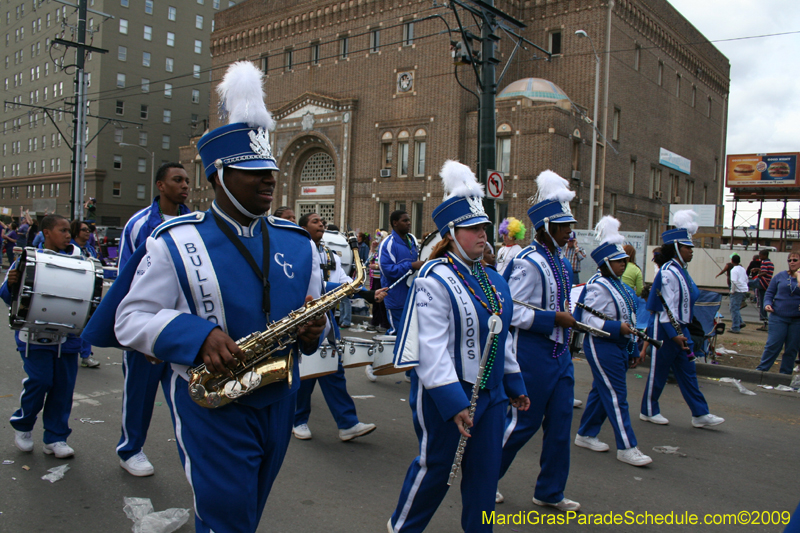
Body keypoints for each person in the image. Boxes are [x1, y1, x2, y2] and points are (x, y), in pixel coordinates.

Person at [82, 61, 327, 533]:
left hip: (277, 400)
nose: (268, 180)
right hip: (211, 405)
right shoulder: (174, 240)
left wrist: (317, 329)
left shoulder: (299, 243)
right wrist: (197, 335)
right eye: (251, 171)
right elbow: (130, 317)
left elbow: (314, 324)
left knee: (247, 514)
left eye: (270, 170)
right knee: (226, 521)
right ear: (217, 175)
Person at [388, 160, 528, 533]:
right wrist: (454, 403)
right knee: (435, 471)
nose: (482, 235)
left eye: (484, 227)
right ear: (451, 233)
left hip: (492, 395)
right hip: (445, 394)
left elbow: (502, 335)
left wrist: (513, 384)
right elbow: (431, 348)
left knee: (485, 477)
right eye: (473, 229)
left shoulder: (495, 279)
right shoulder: (433, 278)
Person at [496, 170, 580, 511]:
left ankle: (549, 491)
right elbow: (507, 310)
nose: (568, 232)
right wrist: (551, 320)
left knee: (560, 426)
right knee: (521, 424)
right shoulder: (527, 262)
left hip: (560, 356)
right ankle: (483, 477)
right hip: (531, 354)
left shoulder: (562, 262)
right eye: (562, 227)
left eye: (569, 225)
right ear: (546, 228)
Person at [113, 162, 192, 477]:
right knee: (139, 395)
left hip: (181, 328)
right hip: (147, 327)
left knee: (187, 399)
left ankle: (196, 456)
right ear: (160, 185)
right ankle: (130, 450)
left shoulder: (194, 223)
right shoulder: (139, 224)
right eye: (177, 180)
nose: (185, 185)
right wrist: (138, 333)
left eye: (187, 180)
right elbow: (125, 278)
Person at [292, 211, 382, 441]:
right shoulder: (296, 251)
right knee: (307, 373)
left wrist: (368, 293)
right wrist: (363, 292)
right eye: (315, 221)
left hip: (328, 319)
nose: (321, 224)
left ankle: (347, 424)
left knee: (333, 369)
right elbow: (318, 284)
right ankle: (298, 420)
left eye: (322, 221)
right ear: (303, 228)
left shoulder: (329, 254)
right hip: (305, 320)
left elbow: (343, 282)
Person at [2, 215, 85, 459]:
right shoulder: (27, 258)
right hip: (35, 334)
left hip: (68, 336)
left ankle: (55, 437)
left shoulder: (79, 258)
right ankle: (24, 426)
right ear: (47, 233)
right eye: (62, 230)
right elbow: (7, 296)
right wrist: (12, 283)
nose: (68, 234)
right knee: (39, 381)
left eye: (69, 230)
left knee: (63, 388)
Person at [573, 217, 652, 467]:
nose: (623, 265)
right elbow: (587, 320)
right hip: (601, 345)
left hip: (618, 344)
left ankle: (585, 433)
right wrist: (618, 327)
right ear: (606, 263)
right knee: (617, 396)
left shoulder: (617, 284)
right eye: (619, 262)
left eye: (625, 261)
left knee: (601, 391)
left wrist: (631, 344)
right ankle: (627, 447)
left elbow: (628, 313)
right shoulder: (598, 286)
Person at [640, 210, 725, 429]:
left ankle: (700, 414)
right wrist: (675, 334)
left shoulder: (681, 271)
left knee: (688, 372)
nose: (692, 251)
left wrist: (681, 332)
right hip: (666, 331)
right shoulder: (668, 272)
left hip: (681, 330)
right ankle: (648, 410)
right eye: (689, 248)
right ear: (677, 248)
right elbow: (666, 309)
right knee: (658, 372)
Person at [755, 252, 800, 375]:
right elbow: (769, 292)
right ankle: (761, 371)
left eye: (795, 260)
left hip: (797, 319)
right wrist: (767, 304)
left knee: (791, 348)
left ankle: (785, 374)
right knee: (773, 345)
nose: (792, 262)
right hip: (779, 316)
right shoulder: (780, 276)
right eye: (789, 260)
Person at [379, 210, 421, 335]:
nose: (409, 223)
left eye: (409, 220)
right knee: (396, 334)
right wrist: (412, 265)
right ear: (395, 223)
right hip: (395, 299)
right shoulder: (388, 243)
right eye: (405, 220)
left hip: (412, 297)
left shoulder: (412, 239)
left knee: (411, 336)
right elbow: (387, 270)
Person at [70, 219, 102, 369]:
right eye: (84, 230)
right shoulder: (68, 248)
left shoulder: (90, 249)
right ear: (76, 232)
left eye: (88, 229)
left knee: (88, 323)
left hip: (88, 292)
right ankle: (69, 351)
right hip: (71, 291)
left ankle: (85, 355)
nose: (88, 232)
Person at [367, 236, 390, 335]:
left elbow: (386, 264)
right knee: (375, 301)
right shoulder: (376, 252)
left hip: (382, 278)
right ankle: (375, 321)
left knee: (382, 303)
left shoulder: (385, 251)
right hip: (374, 279)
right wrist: (372, 248)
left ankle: (384, 324)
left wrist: (376, 266)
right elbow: (369, 260)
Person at [728, 254, 748, 333]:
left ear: (732, 261)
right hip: (743, 290)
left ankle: (735, 327)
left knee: (734, 309)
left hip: (737, 291)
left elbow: (733, 281)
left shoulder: (733, 270)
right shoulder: (742, 269)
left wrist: (732, 291)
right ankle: (740, 322)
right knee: (736, 308)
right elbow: (746, 279)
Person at [755, 249, 774, 330]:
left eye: (760, 256)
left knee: (746, 283)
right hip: (767, 284)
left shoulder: (764, 262)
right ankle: (765, 323)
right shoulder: (770, 263)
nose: (760, 257)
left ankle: (744, 296)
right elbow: (767, 270)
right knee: (763, 302)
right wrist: (758, 269)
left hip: (763, 283)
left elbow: (765, 272)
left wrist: (758, 275)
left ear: (765, 255)